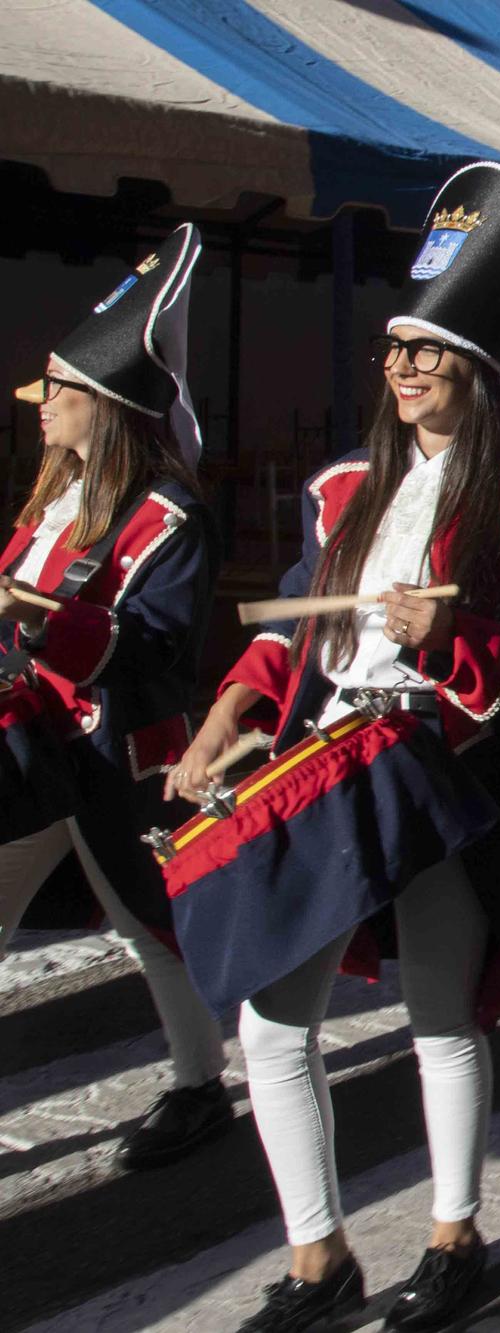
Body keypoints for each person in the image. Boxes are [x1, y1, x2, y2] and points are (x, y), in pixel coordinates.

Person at [175, 163, 500, 1332]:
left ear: (475, 364)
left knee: (439, 1010)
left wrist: (456, 629)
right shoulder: (344, 491)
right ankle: (319, 1256)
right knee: (273, 1019)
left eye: (430, 351)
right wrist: (228, 715)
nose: (408, 369)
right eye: (397, 351)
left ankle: (455, 1235)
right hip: (332, 761)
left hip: (443, 773)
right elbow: (304, 632)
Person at [0, 224, 233, 1170]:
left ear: (104, 401)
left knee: (149, 925)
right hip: (25, 746)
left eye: (57, 393)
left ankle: (198, 1082)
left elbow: (162, 655)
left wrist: (45, 621)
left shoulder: (172, 519)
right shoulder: (48, 499)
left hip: (106, 758)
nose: (41, 407)